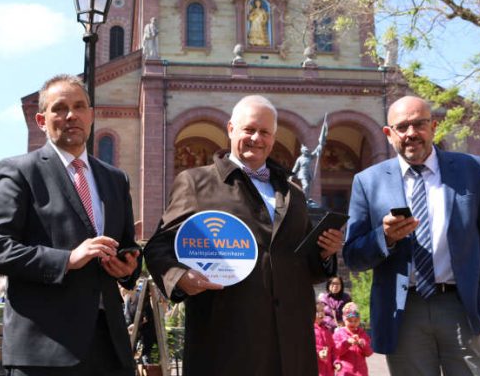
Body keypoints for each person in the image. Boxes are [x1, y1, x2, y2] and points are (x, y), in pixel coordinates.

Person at [143, 95, 343, 376]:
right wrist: (180, 278)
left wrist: (324, 252)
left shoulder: (293, 192)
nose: (256, 138)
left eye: (265, 132)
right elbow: (158, 247)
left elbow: (302, 263)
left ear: (273, 138)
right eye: (249, 130)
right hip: (227, 341)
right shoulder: (196, 182)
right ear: (230, 129)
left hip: (291, 343)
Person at [0, 74, 141, 376]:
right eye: (59, 108)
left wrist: (129, 267)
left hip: (109, 347)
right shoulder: (19, 171)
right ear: (41, 120)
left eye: (80, 107)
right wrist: (66, 260)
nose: (71, 115)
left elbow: (127, 243)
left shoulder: (116, 179)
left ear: (91, 115)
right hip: (45, 349)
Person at [344, 96, 480, 375]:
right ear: (388, 134)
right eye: (402, 126)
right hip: (403, 312)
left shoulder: (473, 170)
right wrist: (383, 238)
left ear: (433, 126)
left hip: (460, 306)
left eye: (419, 124)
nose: (411, 133)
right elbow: (353, 256)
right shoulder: (368, 182)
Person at [332, 302, 373, 376]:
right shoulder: (339, 333)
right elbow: (335, 351)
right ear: (344, 319)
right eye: (350, 321)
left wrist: (362, 343)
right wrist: (347, 342)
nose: (353, 323)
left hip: (361, 372)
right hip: (345, 371)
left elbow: (369, 353)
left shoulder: (362, 333)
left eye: (356, 321)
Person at [314, 302, 335, 376]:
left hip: (329, 371)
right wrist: (318, 354)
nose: (320, 313)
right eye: (317, 311)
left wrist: (335, 362)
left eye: (322, 310)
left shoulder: (327, 330)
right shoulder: (308, 331)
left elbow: (333, 349)